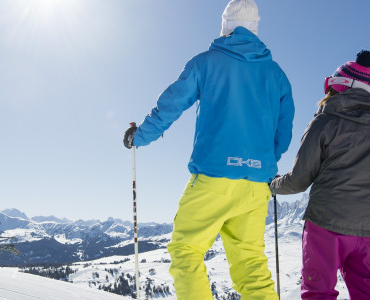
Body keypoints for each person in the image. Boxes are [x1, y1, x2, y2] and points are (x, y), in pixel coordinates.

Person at [122, 0, 293, 298]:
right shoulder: (276, 74)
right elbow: (284, 132)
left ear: (226, 25)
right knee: (250, 264)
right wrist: (261, 162)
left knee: (186, 250)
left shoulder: (206, 62)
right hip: (256, 186)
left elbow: (170, 105)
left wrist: (140, 137)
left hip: (214, 177)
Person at [270, 50, 370, 300]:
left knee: (318, 292)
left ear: (338, 85)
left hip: (326, 224)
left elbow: (299, 180)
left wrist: (273, 185)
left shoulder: (325, 121)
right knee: (369, 291)